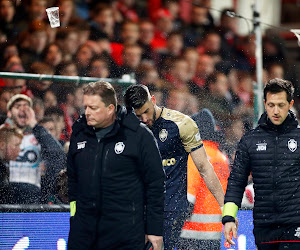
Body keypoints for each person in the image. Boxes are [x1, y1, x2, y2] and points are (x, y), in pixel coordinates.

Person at [124, 84, 224, 250]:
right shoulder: (128, 129)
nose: (144, 119)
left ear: (153, 100)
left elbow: (204, 168)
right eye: (138, 115)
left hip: (171, 211)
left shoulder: (181, 124)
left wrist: (224, 207)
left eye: (146, 112)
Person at [67, 81, 165, 249]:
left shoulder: (139, 136)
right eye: (86, 107)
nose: (87, 113)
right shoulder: (79, 133)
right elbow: (73, 181)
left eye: (94, 108)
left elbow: (155, 184)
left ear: (110, 108)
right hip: (83, 234)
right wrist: (75, 220)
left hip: (125, 234)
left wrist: (154, 229)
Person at [222, 78, 300, 249]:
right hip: (264, 226)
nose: (276, 111)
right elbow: (236, 181)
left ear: (290, 104)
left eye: (281, 105)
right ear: (264, 103)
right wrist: (228, 218)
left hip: (295, 223)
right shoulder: (250, 140)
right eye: (271, 105)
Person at [181, 109, 229, 249]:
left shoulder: (195, 155)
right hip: (214, 233)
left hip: (192, 232)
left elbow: (190, 195)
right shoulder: (221, 158)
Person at [5, 94, 66, 204]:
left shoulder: (39, 136)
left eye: (27, 106)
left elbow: (58, 155)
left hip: (33, 195)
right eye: (18, 106)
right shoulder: (2, 135)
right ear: (9, 112)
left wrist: (34, 124)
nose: (23, 109)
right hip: (6, 193)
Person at [0, 125, 23, 203]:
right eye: (16, 145)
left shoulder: (3, 166)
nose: (19, 150)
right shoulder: (1, 168)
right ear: (2, 145)